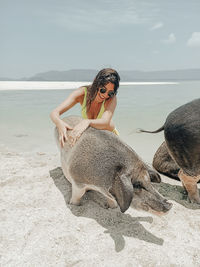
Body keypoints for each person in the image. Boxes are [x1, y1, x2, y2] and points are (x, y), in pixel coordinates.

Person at [50, 68, 120, 147]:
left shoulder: (111, 98)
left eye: (110, 92)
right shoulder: (82, 93)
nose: (105, 95)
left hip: (110, 136)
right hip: (93, 138)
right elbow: (54, 112)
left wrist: (87, 122)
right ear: (96, 83)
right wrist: (59, 123)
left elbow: (105, 122)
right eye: (103, 90)